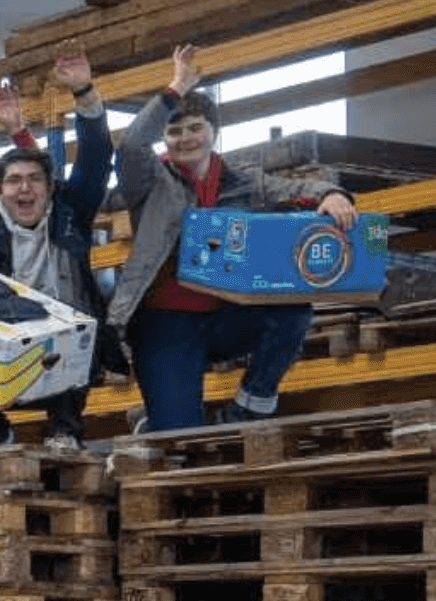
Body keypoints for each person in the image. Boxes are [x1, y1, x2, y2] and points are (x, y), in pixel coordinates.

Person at [111, 44, 360, 431]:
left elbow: (293, 188)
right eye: (175, 131)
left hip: (227, 315)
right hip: (166, 324)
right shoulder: (149, 180)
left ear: (213, 132)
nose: (186, 138)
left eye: (195, 128)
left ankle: (252, 404)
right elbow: (130, 145)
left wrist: (332, 195)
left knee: (292, 307)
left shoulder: (241, 180)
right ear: (165, 139)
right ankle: (159, 420)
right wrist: (175, 87)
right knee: (181, 439)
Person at [0, 53, 113, 447]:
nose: (24, 189)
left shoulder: (70, 213)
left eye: (34, 180)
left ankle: (64, 431)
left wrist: (84, 92)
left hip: (60, 336)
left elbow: (96, 159)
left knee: (72, 337)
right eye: (13, 181)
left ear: (49, 189)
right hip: (4, 331)